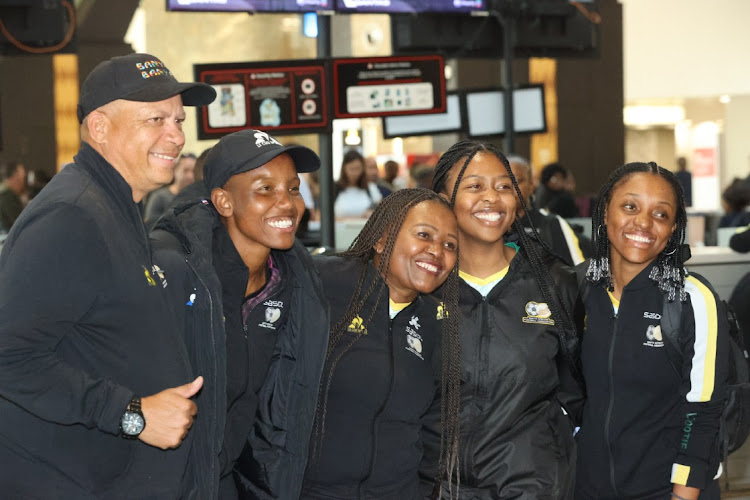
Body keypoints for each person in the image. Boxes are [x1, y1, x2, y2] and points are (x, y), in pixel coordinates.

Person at [0, 52, 216, 498]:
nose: (175, 136)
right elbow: (9, 356)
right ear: (99, 128)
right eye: (155, 119)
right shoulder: (73, 216)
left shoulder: (114, 208)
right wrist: (130, 413)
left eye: (178, 120)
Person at [151, 129, 329, 499]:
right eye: (265, 189)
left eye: (293, 188)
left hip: (229, 481)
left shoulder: (294, 283)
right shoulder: (175, 274)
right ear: (223, 202)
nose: (287, 204)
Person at [422, 140, 583, 498]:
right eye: (474, 186)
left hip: (533, 485)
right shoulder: (422, 284)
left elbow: (580, 390)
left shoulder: (553, 282)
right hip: (436, 485)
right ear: (444, 198)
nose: (492, 198)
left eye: (504, 186)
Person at [575, 161, 728, 499]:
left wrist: (681, 495)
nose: (643, 222)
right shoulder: (578, 288)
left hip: (667, 491)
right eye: (630, 207)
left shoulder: (692, 299)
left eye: (660, 214)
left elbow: (702, 412)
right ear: (604, 212)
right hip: (587, 487)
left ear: (673, 228)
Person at [301, 188, 462, 499]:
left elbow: (434, 428)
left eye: (449, 245)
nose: (436, 251)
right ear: (380, 238)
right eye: (424, 234)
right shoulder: (324, 285)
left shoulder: (437, 324)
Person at [507, 154, 589, 266]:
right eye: (503, 182)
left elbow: (576, 274)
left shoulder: (551, 224)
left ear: (531, 185)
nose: (509, 187)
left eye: (516, 180)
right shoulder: (488, 227)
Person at [144, 152, 196, 227]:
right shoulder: (159, 197)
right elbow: (149, 223)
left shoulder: (197, 197)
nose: (190, 176)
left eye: (193, 171)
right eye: (185, 170)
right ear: (175, 170)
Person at [334, 150, 373, 219]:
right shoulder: (334, 188)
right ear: (344, 169)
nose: (355, 173)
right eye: (351, 169)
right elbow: (320, 216)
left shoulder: (370, 188)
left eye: (358, 169)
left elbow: (381, 212)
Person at [0, 160, 26, 231]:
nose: (23, 182)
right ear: (15, 176)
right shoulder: (7, 196)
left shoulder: (4, 193)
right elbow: (21, 224)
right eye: (22, 177)